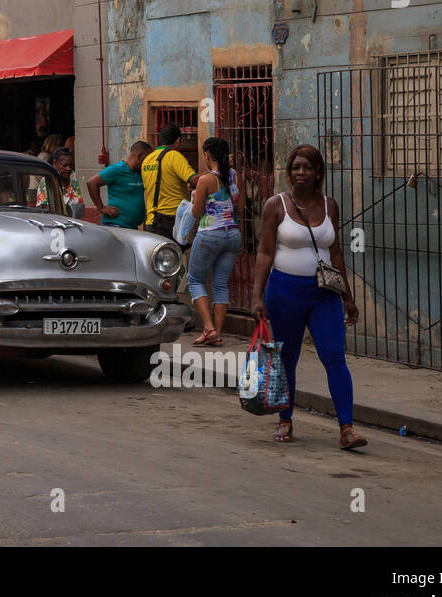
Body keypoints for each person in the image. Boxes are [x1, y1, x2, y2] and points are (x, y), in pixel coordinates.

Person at [250, 144, 366, 451]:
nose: (301, 173)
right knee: (287, 358)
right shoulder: (276, 205)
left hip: (324, 294)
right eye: (296, 168)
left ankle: (347, 428)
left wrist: (348, 298)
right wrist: (256, 296)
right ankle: (285, 421)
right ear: (289, 173)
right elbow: (264, 253)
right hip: (285, 293)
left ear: (318, 174)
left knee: (335, 356)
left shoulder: (330, 205)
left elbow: (336, 253)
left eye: (308, 168)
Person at [184, 137, 243, 346]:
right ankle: (217, 334)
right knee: (220, 284)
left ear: (207, 155)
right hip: (233, 234)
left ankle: (208, 328)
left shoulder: (205, 180)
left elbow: (197, 211)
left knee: (195, 279)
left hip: (210, 234)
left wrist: (193, 198)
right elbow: (240, 208)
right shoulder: (235, 176)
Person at [140, 123, 198, 237]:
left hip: (151, 220)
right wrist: (215, 171)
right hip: (171, 220)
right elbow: (193, 180)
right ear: (177, 140)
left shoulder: (147, 160)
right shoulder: (174, 156)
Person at [86, 140, 150, 229]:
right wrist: (102, 208)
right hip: (116, 226)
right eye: (148, 158)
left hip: (132, 228)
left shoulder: (141, 173)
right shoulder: (117, 170)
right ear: (139, 156)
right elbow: (92, 183)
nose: (149, 162)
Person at [36, 146, 81, 211]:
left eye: (71, 165)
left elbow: (78, 204)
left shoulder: (73, 176)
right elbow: (44, 209)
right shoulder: (47, 181)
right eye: (64, 165)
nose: (68, 169)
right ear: (54, 163)